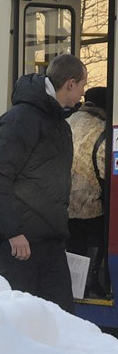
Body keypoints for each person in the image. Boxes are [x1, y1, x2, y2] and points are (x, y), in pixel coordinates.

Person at [0, 54, 88, 314]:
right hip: (20, 245)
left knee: (62, 321)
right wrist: (14, 233)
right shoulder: (21, 119)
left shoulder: (57, 121)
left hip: (50, 241)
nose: (84, 92)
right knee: (20, 321)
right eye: (84, 84)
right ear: (71, 84)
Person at [66, 86, 109, 297]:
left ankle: (75, 288)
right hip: (91, 204)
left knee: (73, 243)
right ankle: (91, 282)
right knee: (95, 238)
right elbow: (104, 168)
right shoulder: (102, 129)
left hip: (63, 203)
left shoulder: (66, 123)